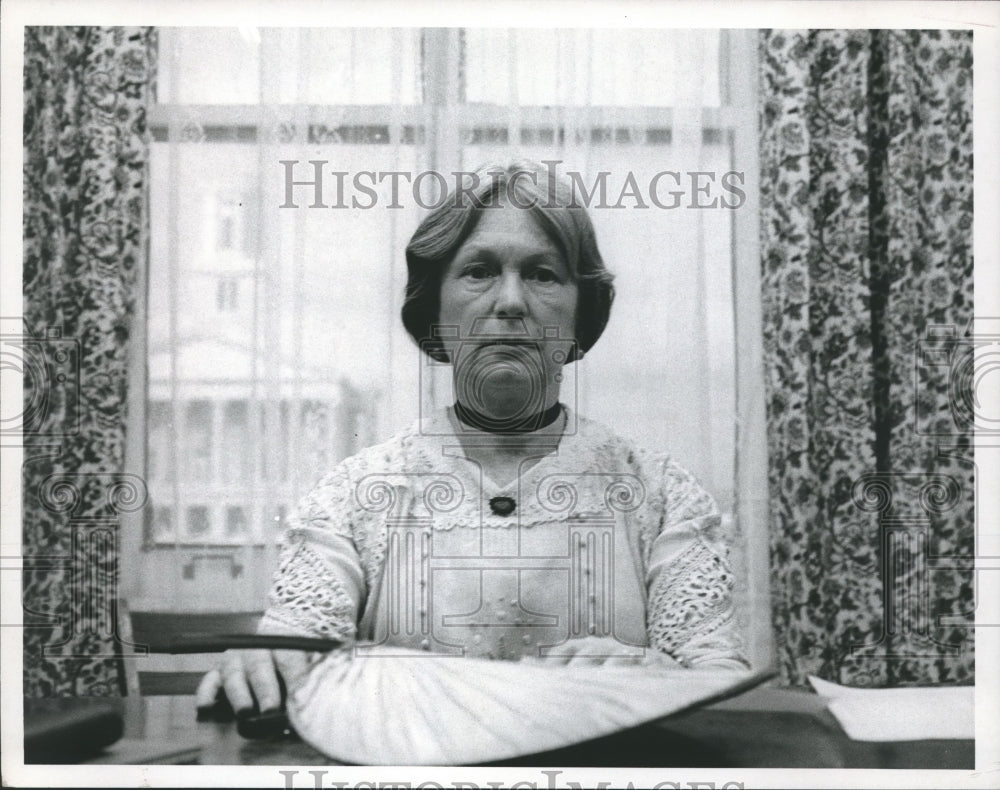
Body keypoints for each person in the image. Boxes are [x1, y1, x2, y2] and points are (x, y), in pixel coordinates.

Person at [196, 160, 748, 717]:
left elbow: (722, 686)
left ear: (581, 314)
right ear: (434, 311)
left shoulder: (661, 496)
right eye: (479, 271)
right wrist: (266, 661)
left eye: (542, 274)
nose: (510, 302)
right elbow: (289, 652)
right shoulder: (353, 495)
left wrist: (664, 678)